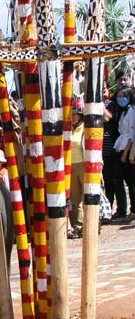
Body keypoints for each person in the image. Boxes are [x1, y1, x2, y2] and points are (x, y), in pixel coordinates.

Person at [112, 87, 135, 221]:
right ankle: (122, 210)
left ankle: (133, 210)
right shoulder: (122, 112)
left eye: (123, 96)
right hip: (119, 145)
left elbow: (132, 135)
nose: (121, 99)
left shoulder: (132, 112)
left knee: (131, 181)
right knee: (119, 181)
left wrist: (126, 153)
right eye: (118, 96)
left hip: (126, 148)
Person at [69, 98, 85, 238]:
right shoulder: (67, 129)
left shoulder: (86, 128)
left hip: (84, 165)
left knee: (88, 196)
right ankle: (77, 226)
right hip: (71, 166)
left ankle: (92, 224)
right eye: (71, 114)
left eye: (76, 113)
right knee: (75, 199)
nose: (73, 117)